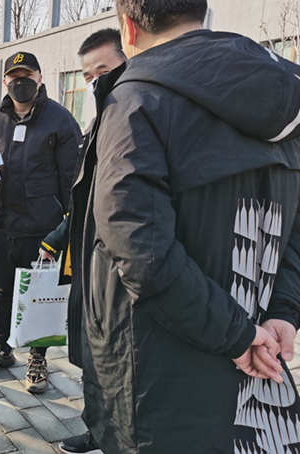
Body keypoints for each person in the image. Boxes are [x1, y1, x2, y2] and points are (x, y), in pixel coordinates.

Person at [62, 0, 300, 452]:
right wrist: (281, 313)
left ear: (128, 29)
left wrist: (239, 334)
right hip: (258, 356)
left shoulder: (136, 101)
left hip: (159, 373)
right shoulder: (284, 96)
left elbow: (139, 250)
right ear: (201, 14)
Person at [0, 51, 81, 393]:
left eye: (27, 75)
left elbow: (72, 181)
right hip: (0, 223)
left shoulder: (60, 120)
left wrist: (66, 228)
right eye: (14, 77)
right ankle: (1, 347)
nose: (21, 82)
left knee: (39, 293)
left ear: (40, 78)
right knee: (0, 288)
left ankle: (37, 357)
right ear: (5, 81)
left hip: (42, 228)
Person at [40, 28, 127, 369]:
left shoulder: (137, 123)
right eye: (87, 76)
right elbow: (87, 197)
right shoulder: (97, 126)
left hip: (122, 265)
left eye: (103, 71)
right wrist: (59, 237)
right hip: (90, 261)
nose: (95, 82)